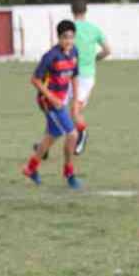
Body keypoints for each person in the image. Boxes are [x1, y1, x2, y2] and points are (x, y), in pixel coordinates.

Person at [22, 20, 83, 189]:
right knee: (72, 135)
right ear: (59, 38)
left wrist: (75, 99)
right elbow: (35, 79)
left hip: (61, 100)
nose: (68, 41)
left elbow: (74, 75)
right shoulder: (51, 56)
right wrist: (52, 98)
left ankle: (30, 168)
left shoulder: (74, 52)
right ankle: (69, 173)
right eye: (65, 37)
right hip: (48, 101)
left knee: (52, 136)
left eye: (71, 37)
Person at [70, 0, 110, 154]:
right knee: (68, 112)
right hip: (87, 76)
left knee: (72, 111)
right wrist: (94, 59)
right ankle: (45, 145)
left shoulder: (69, 29)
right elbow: (107, 50)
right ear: (85, 11)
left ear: (72, 11)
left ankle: (82, 133)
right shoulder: (94, 29)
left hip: (70, 76)